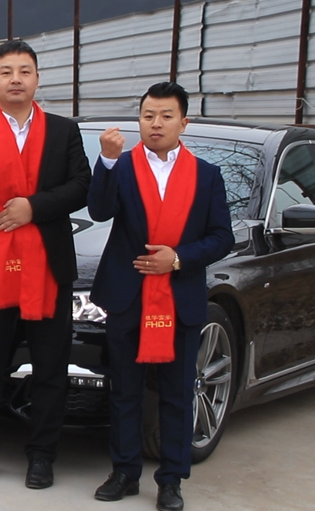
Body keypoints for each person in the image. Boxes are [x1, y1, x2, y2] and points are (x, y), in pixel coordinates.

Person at [88, 82, 234, 511]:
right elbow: (99, 210)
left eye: (166, 116)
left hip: (180, 297)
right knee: (125, 391)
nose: (156, 123)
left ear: (183, 122)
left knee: (177, 394)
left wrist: (178, 258)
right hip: (127, 295)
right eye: (148, 115)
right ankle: (124, 472)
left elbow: (221, 237)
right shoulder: (122, 166)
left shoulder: (206, 175)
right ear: (139, 120)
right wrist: (106, 161)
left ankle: (171, 479)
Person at [0, 40, 91, 489]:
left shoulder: (63, 130)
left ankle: (42, 456)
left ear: (37, 79)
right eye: (7, 71)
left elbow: (81, 185)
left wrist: (33, 207)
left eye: (25, 71)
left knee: (50, 366)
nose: (16, 79)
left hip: (48, 262)